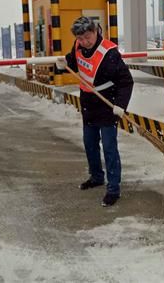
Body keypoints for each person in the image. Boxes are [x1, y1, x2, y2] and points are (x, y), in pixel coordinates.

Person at [56, 16, 134, 207]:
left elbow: (126, 81)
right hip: (88, 104)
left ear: (95, 31)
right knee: (90, 143)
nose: (84, 42)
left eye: (87, 37)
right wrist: (63, 64)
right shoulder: (78, 46)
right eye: (80, 38)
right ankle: (96, 176)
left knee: (109, 147)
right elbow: (75, 63)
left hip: (108, 104)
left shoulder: (109, 53)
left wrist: (120, 105)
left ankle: (113, 188)